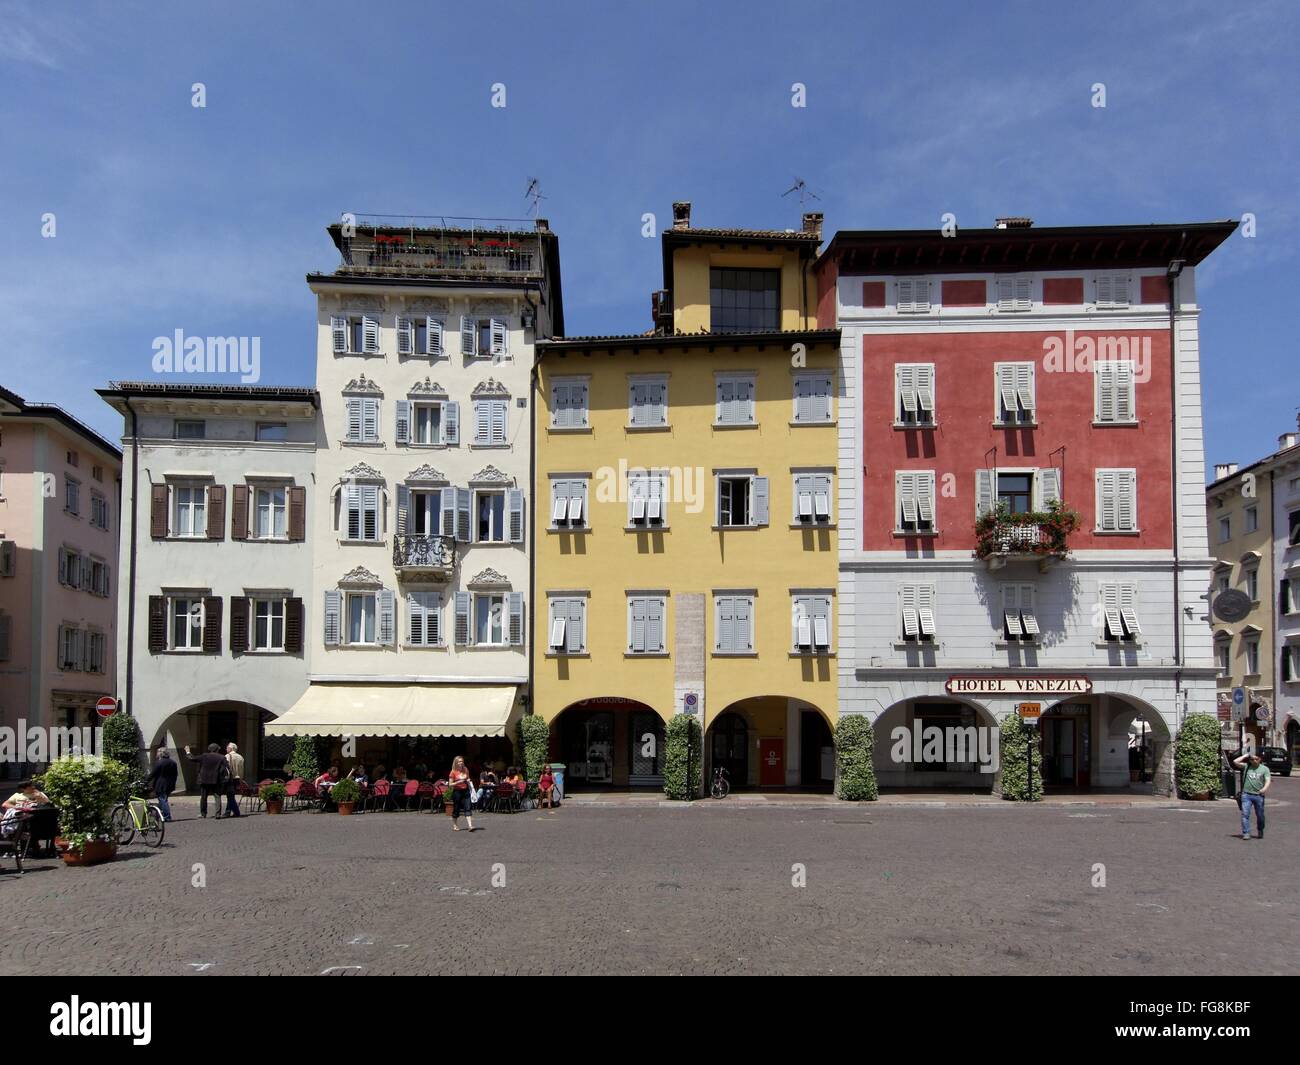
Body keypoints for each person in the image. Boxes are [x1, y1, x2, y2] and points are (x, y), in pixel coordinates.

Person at [184, 743, 230, 819]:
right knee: (217, 796)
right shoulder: (222, 757)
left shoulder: (204, 756)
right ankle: (217, 814)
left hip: (204, 779)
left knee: (204, 797)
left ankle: (203, 813)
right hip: (216, 779)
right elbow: (227, 767)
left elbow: (192, 758)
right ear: (217, 749)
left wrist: (188, 752)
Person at [1233, 749, 1271, 839]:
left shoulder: (1264, 769)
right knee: (1245, 814)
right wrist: (1246, 756)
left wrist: (1264, 789)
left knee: (1260, 815)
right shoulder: (1246, 766)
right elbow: (1235, 761)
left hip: (1259, 795)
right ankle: (1246, 833)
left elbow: (1268, 780)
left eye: (1256, 759)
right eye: (1252, 759)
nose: (1254, 761)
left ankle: (1260, 829)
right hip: (1246, 794)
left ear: (1260, 759)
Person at [145, 748, 179, 822]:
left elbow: (153, 774)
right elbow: (176, 774)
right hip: (170, 784)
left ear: (161, 753)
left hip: (161, 784)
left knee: (163, 800)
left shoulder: (159, 763)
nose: (156, 754)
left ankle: (167, 817)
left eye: (157, 752)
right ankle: (158, 815)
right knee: (163, 800)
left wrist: (145, 781)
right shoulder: (173, 762)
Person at [447, 756, 474, 832]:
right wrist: (458, 782)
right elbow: (450, 784)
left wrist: (468, 780)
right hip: (457, 792)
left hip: (466, 791)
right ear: (456, 763)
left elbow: (468, 778)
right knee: (456, 809)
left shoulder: (465, 769)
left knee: (468, 807)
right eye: (459, 761)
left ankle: (470, 826)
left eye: (462, 761)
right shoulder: (453, 772)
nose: (461, 763)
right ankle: (455, 826)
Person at [223, 743, 245, 818]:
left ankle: (235, 811)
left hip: (230, 779)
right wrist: (241, 779)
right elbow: (242, 770)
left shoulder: (227, 756)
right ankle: (228, 811)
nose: (226, 749)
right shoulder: (240, 757)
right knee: (231, 795)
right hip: (237, 778)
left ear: (231, 748)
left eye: (227, 747)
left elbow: (226, 769)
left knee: (230, 796)